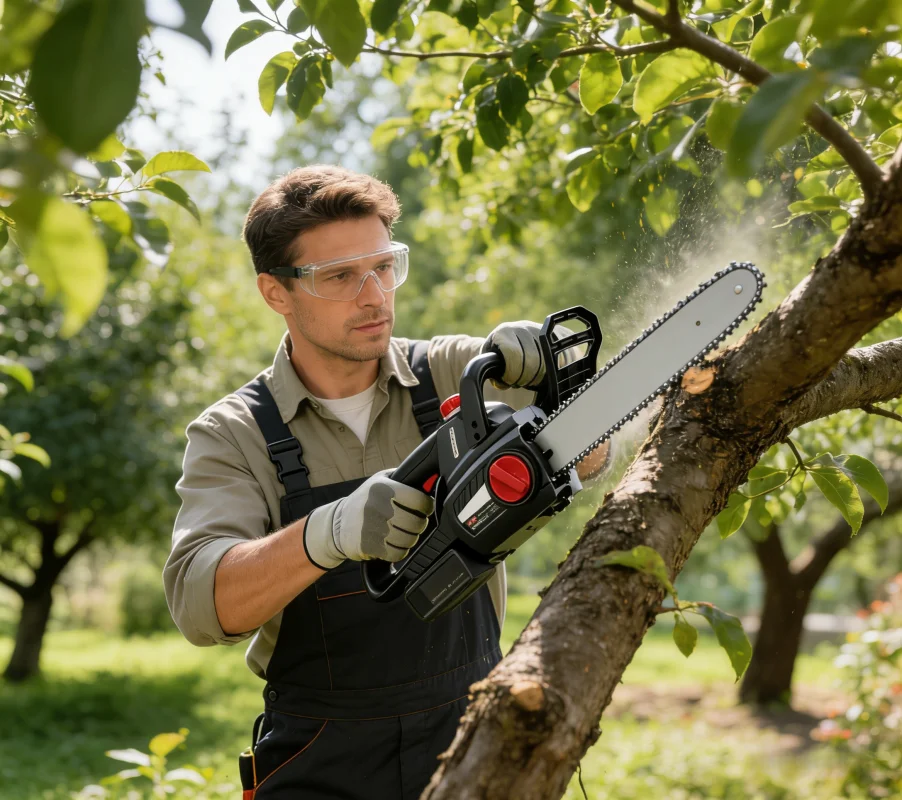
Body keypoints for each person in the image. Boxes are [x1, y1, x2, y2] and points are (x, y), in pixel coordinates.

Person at [163, 164, 613, 799]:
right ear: (276, 292)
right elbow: (199, 604)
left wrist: (557, 389)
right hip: (320, 751)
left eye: (383, 266)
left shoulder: (459, 372)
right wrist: (328, 534)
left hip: (470, 731)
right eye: (340, 277)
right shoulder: (233, 433)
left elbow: (593, 456)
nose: (374, 295)